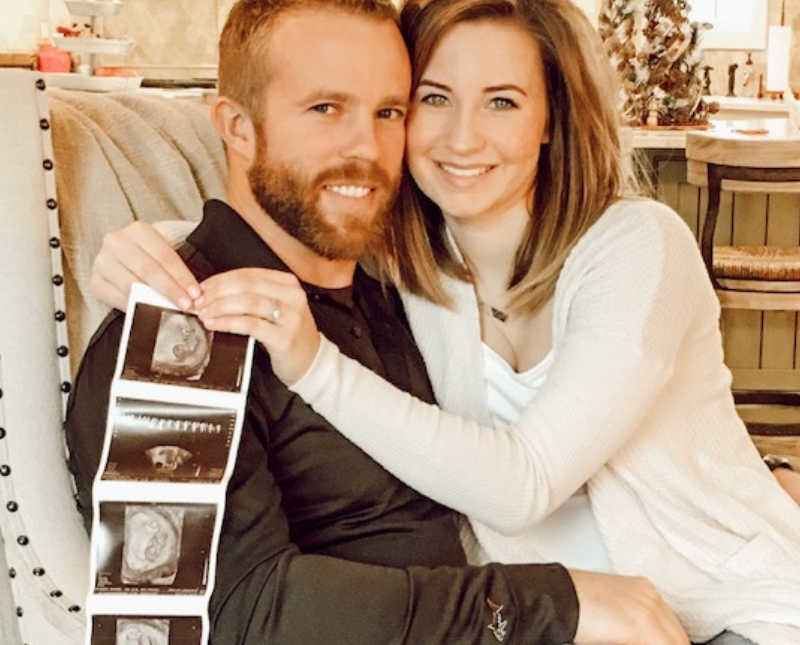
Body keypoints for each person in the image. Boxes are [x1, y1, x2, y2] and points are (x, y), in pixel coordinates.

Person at [90, 0, 800, 643]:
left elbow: (531, 475)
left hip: (717, 612)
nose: (365, 148)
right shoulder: (193, 326)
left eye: (388, 112)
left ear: (549, 117)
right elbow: (218, 610)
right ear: (236, 129)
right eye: (325, 109)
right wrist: (162, 249)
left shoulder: (403, 276)